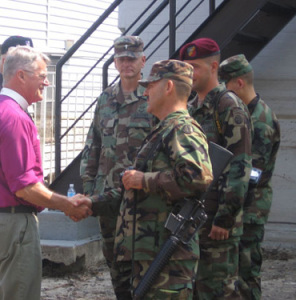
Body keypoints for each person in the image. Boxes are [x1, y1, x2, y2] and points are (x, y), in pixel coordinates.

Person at [0, 46, 92, 300]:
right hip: (14, 225)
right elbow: (24, 186)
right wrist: (67, 205)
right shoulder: (14, 117)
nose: (47, 81)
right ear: (20, 75)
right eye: (41, 75)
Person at [114, 59, 213, 299]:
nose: (145, 91)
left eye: (150, 85)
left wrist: (144, 180)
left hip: (168, 259)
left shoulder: (181, 128)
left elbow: (198, 176)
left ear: (168, 86)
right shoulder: (164, 128)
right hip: (150, 255)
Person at [80, 35, 157, 299]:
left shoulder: (153, 98)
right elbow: (93, 146)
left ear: (142, 60)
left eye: (132, 58)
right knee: (114, 260)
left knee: (143, 259)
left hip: (141, 197)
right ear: (115, 62)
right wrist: (90, 189)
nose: (127, 64)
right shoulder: (105, 99)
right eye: (121, 59)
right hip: (108, 195)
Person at [179, 38, 253, 299]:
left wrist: (225, 218)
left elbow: (240, 165)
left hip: (218, 223)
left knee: (220, 290)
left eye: (195, 67)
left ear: (213, 67)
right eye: (185, 67)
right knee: (197, 289)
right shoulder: (190, 108)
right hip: (194, 220)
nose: (189, 73)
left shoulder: (228, 105)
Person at [219, 54, 281, 300]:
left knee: (246, 274)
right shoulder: (244, 113)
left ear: (239, 83)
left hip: (251, 207)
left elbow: (253, 173)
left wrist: (228, 198)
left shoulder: (261, 120)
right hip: (239, 204)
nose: (224, 89)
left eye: (226, 83)